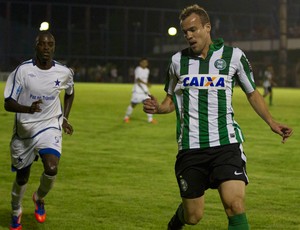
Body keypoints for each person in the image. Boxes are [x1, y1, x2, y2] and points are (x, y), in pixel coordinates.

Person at [143, 4, 293, 230]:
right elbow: (171, 101)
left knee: (235, 205)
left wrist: (271, 122)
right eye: (185, 32)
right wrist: (158, 108)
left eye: (193, 30)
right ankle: (177, 221)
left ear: (207, 27)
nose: (189, 36)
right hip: (191, 147)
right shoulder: (177, 62)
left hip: (226, 144)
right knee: (193, 216)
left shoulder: (234, 56)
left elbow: (252, 93)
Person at [4, 31, 75, 230]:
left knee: (52, 168)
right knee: (22, 177)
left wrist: (65, 117)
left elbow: (70, 92)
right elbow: (8, 103)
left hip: (49, 125)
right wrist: (28, 109)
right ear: (36, 46)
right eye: (43, 44)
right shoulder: (23, 71)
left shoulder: (63, 72)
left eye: (50, 44)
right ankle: (16, 211)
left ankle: (39, 197)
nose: (46, 48)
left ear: (54, 47)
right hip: (24, 131)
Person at [124, 57, 156, 123]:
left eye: (146, 62)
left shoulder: (147, 70)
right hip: (137, 90)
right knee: (133, 104)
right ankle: (126, 117)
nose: (145, 64)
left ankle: (150, 119)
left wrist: (146, 86)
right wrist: (146, 83)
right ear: (140, 63)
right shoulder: (138, 69)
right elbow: (138, 80)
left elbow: (145, 80)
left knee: (149, 104)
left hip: (145, 91)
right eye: (143, 62)